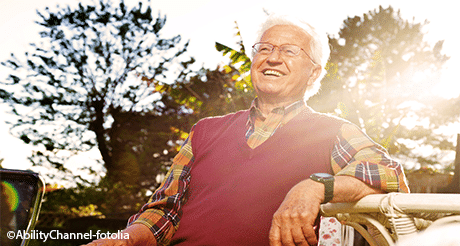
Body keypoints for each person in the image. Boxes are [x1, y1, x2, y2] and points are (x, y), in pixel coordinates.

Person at [84, 14, 409, 246]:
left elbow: (391, 177)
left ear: (313, 73)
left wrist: (314, 187)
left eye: (289, 51)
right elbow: (164, 212)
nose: (273, 58)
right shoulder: (204, 132)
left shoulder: (334, 132)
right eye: (264, 49)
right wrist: (127, 238)